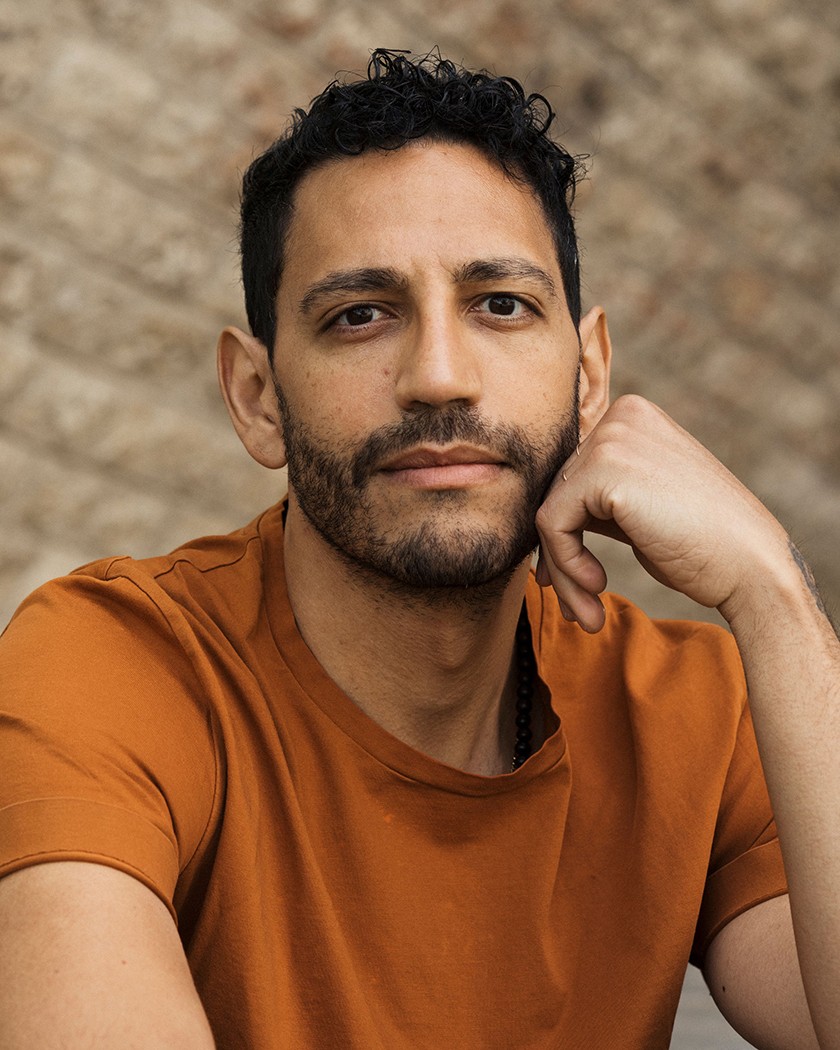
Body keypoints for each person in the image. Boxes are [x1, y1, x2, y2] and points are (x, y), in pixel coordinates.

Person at [0, 48, 837, 1050]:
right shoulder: (117, 664)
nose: (439, 377)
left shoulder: (693, 709)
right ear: (258, 400)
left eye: (501, 305)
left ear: (587, 375)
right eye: (361, 315)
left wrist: (774, 597)